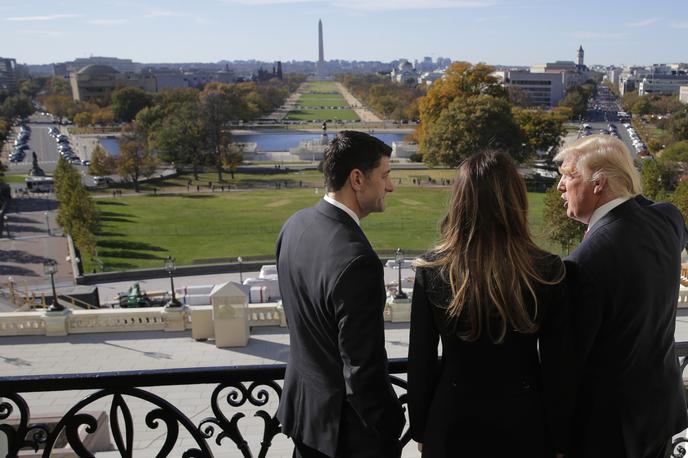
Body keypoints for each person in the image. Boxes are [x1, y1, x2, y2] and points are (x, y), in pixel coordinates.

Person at [408, 150, 571, 458]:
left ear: (460, 201)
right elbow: (558, 367)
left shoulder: (431, 269)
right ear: (516, 199)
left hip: (451, 421)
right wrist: (561, 438)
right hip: (525, 422)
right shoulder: (548, 269)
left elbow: (421, 362)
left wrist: (420, 427)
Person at [555, 135, 687, 457]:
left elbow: (569, 363)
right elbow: (643, 207)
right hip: (659, 415)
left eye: (569, 175)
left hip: (609, 432)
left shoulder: (583, 262)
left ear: (598, 184)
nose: (560, 186)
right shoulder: (668, 220)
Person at [276, 131, 405, 458]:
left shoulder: (294, 225)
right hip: (346, 437)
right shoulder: (358, 260)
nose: (390, 186)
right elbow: (362, 369)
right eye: (386, 176)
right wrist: (390, 424)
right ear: (357, 178)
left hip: (304, 417)